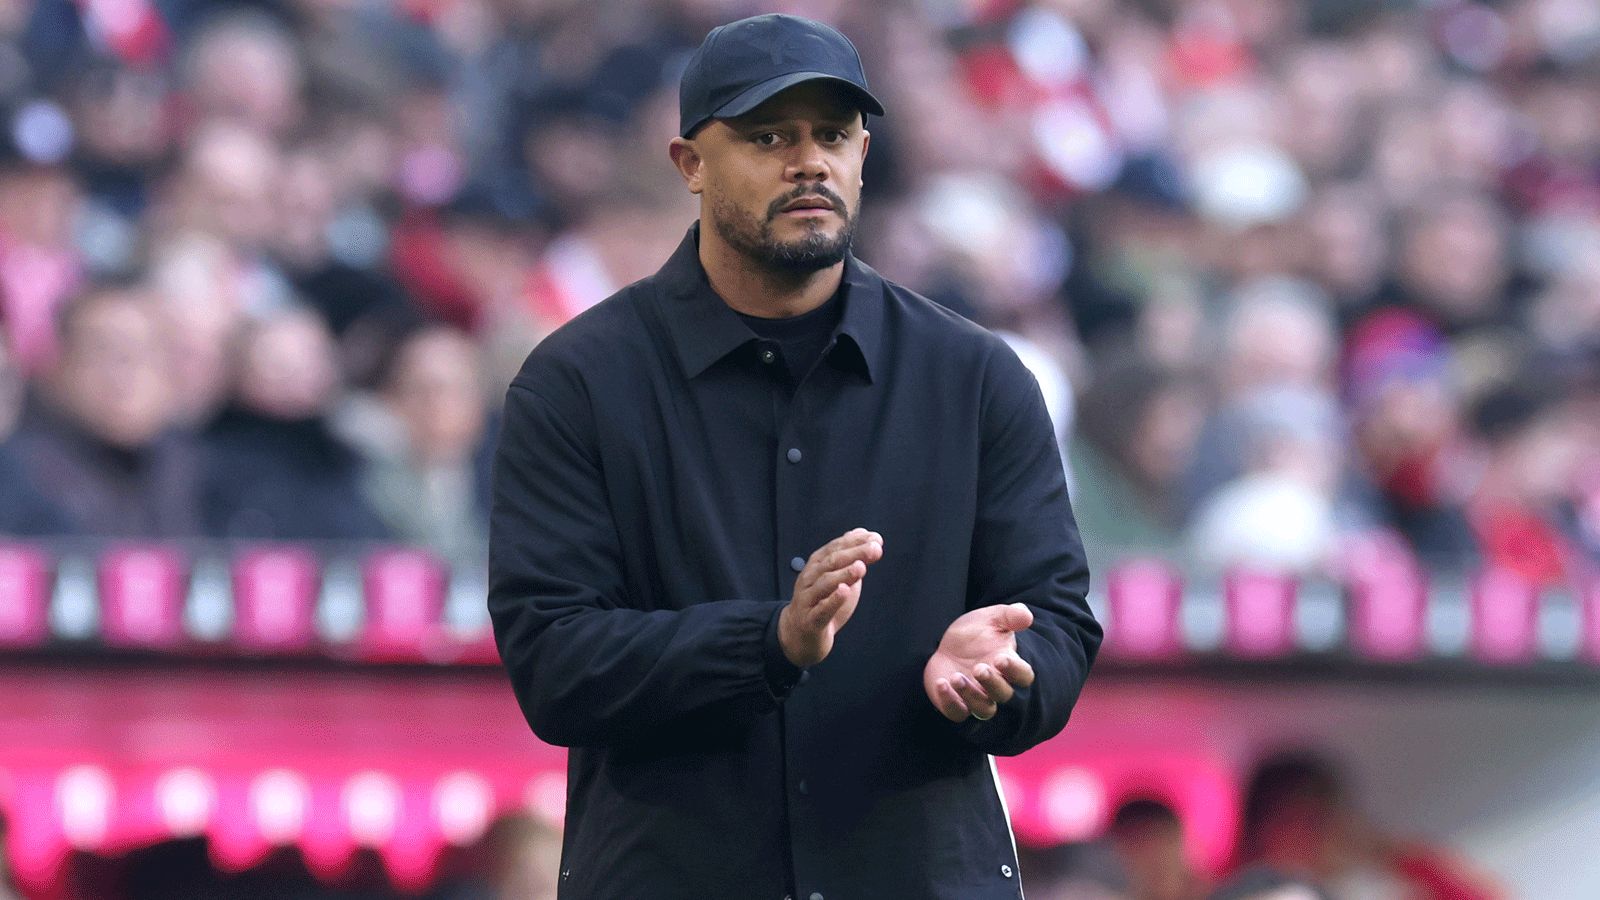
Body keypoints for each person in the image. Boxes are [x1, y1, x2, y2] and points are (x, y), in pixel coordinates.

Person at [487, 13, 1101, 900]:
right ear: (690, 163)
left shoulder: (977, 378)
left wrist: (1002, 676)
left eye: (833, 135)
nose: (809, 162)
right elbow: (554, 662)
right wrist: (769, 642)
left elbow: (1060, 624)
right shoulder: (579, 383)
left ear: (863, 155)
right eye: (769, 136)